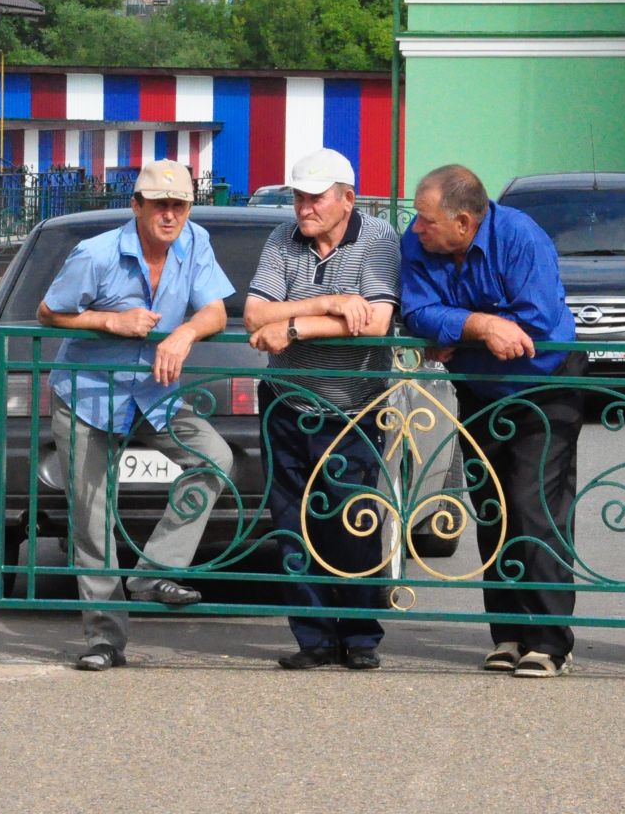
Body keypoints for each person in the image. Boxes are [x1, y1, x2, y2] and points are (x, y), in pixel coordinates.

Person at [38, 158, 235, 672]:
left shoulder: (196, 243)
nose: (170, 216)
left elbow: (215, 310)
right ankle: (105, 640)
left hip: (154, 390)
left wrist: (184, 333)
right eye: (159, 205)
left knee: (213, 458)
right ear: (137, 206)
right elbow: (49, 312)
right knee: (93, 522)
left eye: (179, 206)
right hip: (88, 394)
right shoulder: (95, 254)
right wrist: (110, 320)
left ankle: (155, 570)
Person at [401, 163, 582, 679]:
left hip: (544, 388)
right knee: (492, 508)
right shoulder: (419, 244)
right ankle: (507, 632)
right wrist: (483, 322)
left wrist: (458, 329)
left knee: (534, 506)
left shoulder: (521, 237)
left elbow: (537, 326)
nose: (416, 230)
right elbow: (417, 314)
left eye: (426, 221)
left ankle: (550, 643)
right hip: (480, 390)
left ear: (463, 222)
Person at [244, 148, 401, 672]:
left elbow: (376, 322)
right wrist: (326, 303)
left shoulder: (378, 239)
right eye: (299, 196)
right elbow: (253, 313)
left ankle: (359, 635)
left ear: (346, 199)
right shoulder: (281, 239)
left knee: (350, 519)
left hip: (351, 405)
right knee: (292, 519)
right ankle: (312, 636)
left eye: (315, 198)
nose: (304, 207)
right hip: (288, 400)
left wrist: (293, 328)